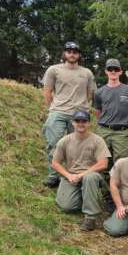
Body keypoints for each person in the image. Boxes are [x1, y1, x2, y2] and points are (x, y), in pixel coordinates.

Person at [42, 42, 97, 188]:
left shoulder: (87, 73)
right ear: (64, 53)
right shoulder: (53, 70)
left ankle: (76, 175)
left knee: (78, 147)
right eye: (69, 51)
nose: (72, 54)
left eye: (75, 51)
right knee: (54, 144)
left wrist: (82, 106)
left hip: (79, 115)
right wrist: (52, 109)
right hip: (58, 112)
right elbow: (47, 91)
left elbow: (90, 94)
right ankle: (54, 176)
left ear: (79, 55)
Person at [51, 110, 111, 231]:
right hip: (71, 177)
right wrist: (68, 175)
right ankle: (86, 197)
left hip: (91, 176)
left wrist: (82, 174)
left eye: (84, 121)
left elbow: (103, 164)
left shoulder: (97, 140)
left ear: (89, 123)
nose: (80, 123)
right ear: (72, 123)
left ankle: (91, 218)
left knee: (90, 178)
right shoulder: (64, 140)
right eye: (77, 121)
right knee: (67, 207)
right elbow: (55, 163)